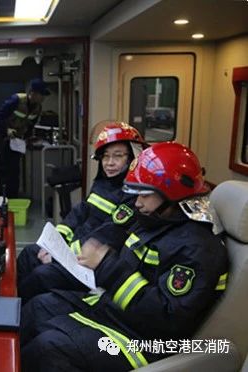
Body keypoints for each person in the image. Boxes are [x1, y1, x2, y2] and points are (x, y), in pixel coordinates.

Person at [20, 142, 229, 371]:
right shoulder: (154, 220)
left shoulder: (198, 248)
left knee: (49, 348)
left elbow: (167, 319)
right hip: (117, 312)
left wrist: (107, 267)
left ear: (172, 195)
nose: (137, 203)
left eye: (145, 195)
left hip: (145, 341)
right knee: (36, 309)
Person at [17, 121, 147, 303]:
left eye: (117, 156)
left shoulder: (134, 195)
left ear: (133, 158)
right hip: (73, 250)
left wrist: (62, 255)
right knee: (28, 255)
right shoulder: (102, 183)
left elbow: (108, 235)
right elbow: (80, 212)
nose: (109, 163)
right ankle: (15, 307)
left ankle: (23, 314)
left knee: (41, 276)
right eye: (105, 157)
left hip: (94, 263)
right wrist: (58, 238)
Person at [0, 78, 50, 198]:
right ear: (33, 93)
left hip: (18, 142)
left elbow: (30, 125)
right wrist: (6, 130)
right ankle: (2, 199)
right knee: (3, 170)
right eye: (41, 94)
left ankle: (13, 199)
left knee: (14, 171)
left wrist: (28, 138)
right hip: (3, 140)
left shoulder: (38, 108)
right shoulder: (16, 100)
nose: (43, 98)